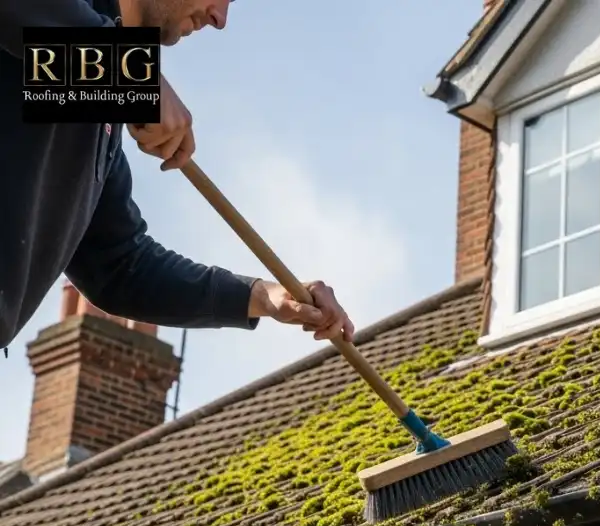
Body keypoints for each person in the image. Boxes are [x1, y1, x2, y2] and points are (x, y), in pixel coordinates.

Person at [0, 0, 355, 357]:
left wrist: (265, 296)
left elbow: (119, 266)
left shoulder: (86, 90)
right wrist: (131, 74)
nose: (220, 18)